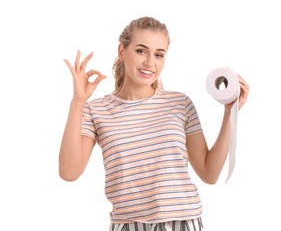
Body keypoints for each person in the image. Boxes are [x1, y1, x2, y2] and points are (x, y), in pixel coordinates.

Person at [59, 16, 250, 231]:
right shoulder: (97, 110)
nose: (150, 63)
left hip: (183, 222)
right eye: (141, 51)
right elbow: (69, 172)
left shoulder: (179, 103)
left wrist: (228, 114)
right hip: (128, 225)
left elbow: (209, 173)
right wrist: (78, 101)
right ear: (122, 51)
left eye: (159, 54)